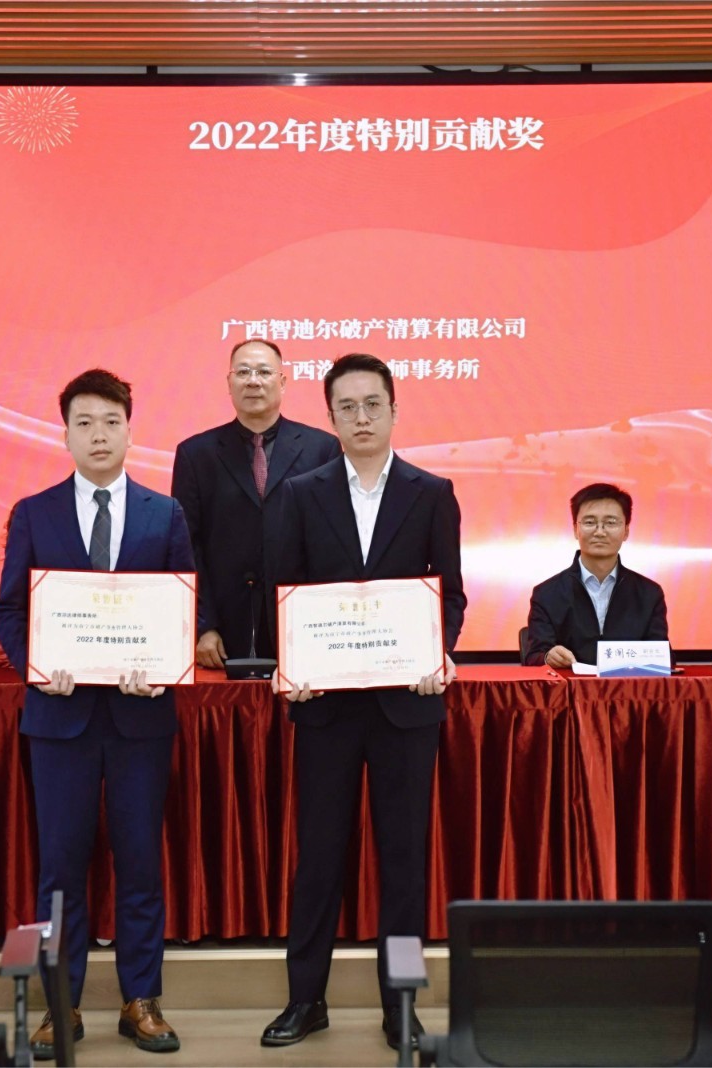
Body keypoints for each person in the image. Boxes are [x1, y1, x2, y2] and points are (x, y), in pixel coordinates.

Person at [260, 353, 466, 1051]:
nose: (361, 417)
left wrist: (438, 652)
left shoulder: (432, 492)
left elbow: (450, 595)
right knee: (318, 858)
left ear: (394, 409)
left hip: (407, 706)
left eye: (373, 404)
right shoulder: (301, 492)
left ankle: (399, 1006)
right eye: (346, 407)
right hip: (326, 708)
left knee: (404, 862)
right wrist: (294, 662)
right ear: (331, 417)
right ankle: (305, 1000)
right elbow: (287, 592)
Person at [0, 368, 193, 1057]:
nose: (99, 435)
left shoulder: (165, 515)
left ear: (130, 430)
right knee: (60, 867)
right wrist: (39, 667)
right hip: (60, 718)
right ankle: (61, 1004)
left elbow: (181, 606)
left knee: (140, 863)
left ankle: (142, 1001)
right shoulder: (35, 512)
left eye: (111, 422)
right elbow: (10, 610)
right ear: (66, 434)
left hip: (141, 718)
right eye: (84, 423)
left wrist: (161, 669)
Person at [171, 339, 339, 667]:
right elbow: (187, 547)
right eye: (243, 372)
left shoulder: (323, 449)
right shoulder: (196, 454)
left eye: (264, 372)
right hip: (223, 632)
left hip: (302, 624)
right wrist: (203, 625)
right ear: (229, 383)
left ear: (282, 381)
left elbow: (329, 545)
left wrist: (325, 621)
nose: (253, 381)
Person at [522, 482, 668, 666]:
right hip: (570, 684)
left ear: (626, 531)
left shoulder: (649, 594)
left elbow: (663, 658)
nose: (600, 532)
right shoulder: (546, 594)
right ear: (576, 529)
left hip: (628, 684)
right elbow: (533, 657)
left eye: (610, 523)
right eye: (590, 522)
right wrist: (547, 657)